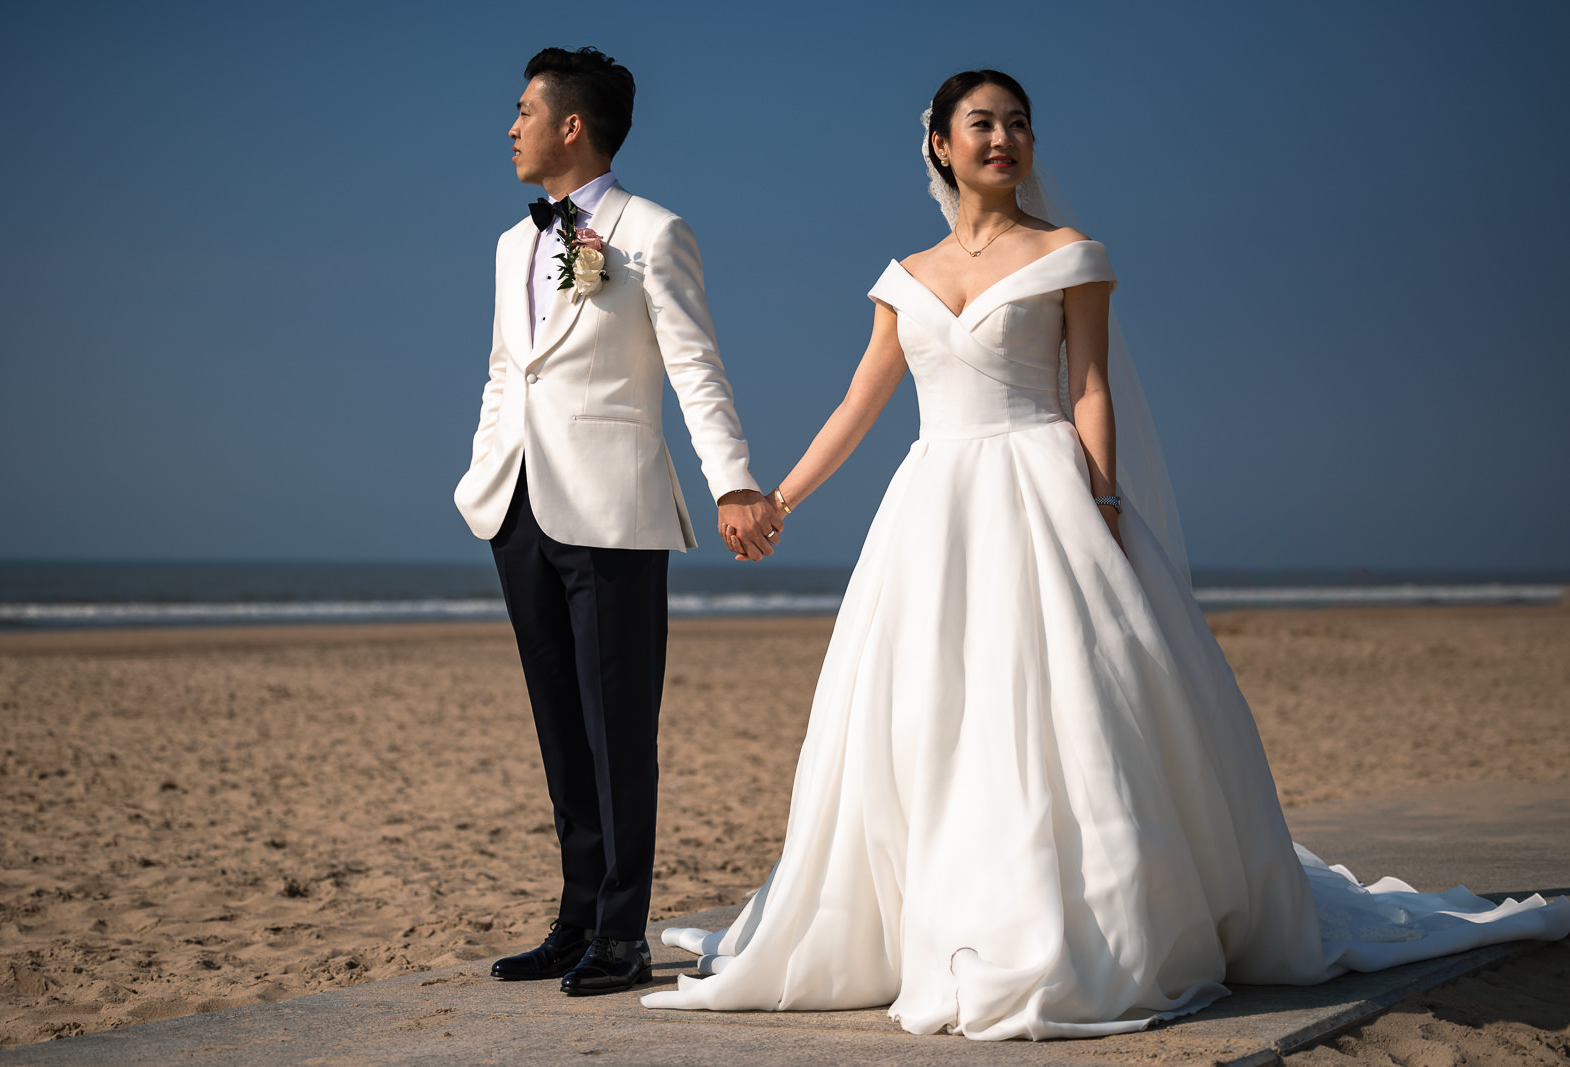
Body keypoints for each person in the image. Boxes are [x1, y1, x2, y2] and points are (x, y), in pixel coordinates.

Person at [648, 69, 1570, 1038]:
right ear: (939, 145)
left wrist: (1099, 496)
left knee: (1068, 709)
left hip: (1043, 489)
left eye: (1017, 124)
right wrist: (774, 498)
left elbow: (1089, 386)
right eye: (980, 123)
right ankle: (934, 917)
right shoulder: (901, 279)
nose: (1002, 138)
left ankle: (1078, 919)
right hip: (933, 508)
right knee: (924, 709)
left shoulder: (1068, 255)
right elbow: (857, 407)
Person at [453, 46, 783, 997]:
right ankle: (576, 916)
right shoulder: (513, 245)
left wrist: (733, 484)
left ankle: (623, 932)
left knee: (617, 726)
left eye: (522, 110)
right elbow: (504, 371)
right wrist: (483, 472)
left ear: (571, 126)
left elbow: (695, 368)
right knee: (559, 723)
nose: (508, 126)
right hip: (517, 505)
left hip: (614, 514)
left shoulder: (653, 231)